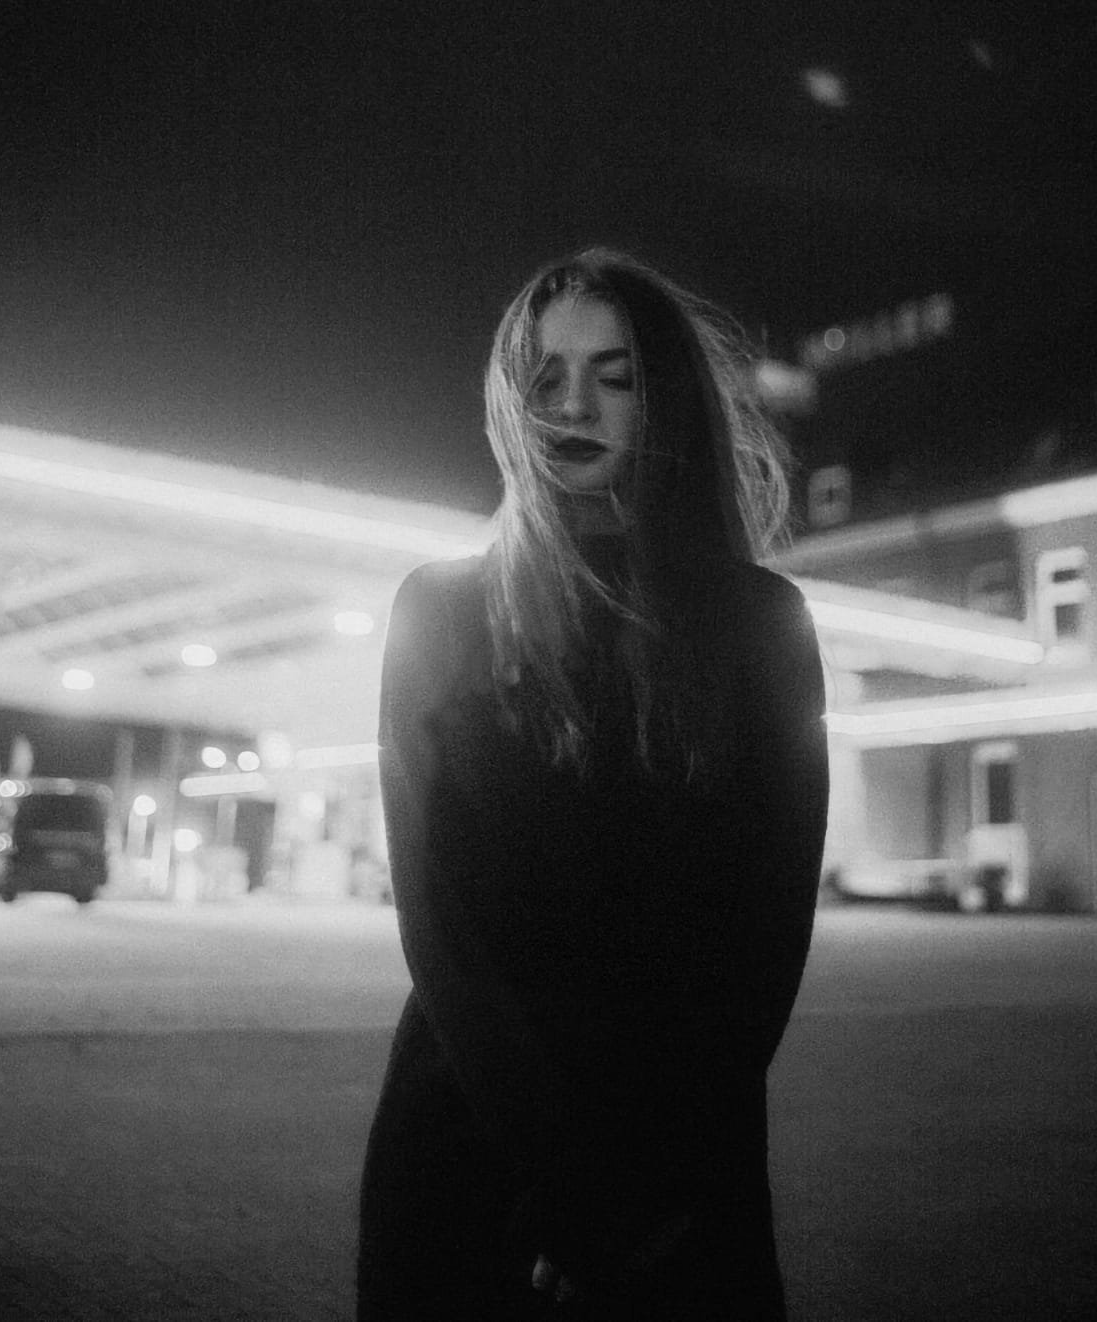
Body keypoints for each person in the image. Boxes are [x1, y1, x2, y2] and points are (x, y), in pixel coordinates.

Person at [356, 248, 829, 1320]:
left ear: (667, 401)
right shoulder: (439, 610)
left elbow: (764, 937)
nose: (573, 406)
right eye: (546, 376)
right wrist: (573, 1187)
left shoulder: (762, 623)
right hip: (468, 1142)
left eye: (614, 376)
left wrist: (637, 1196)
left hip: (680, 1170)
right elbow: (440, 925)